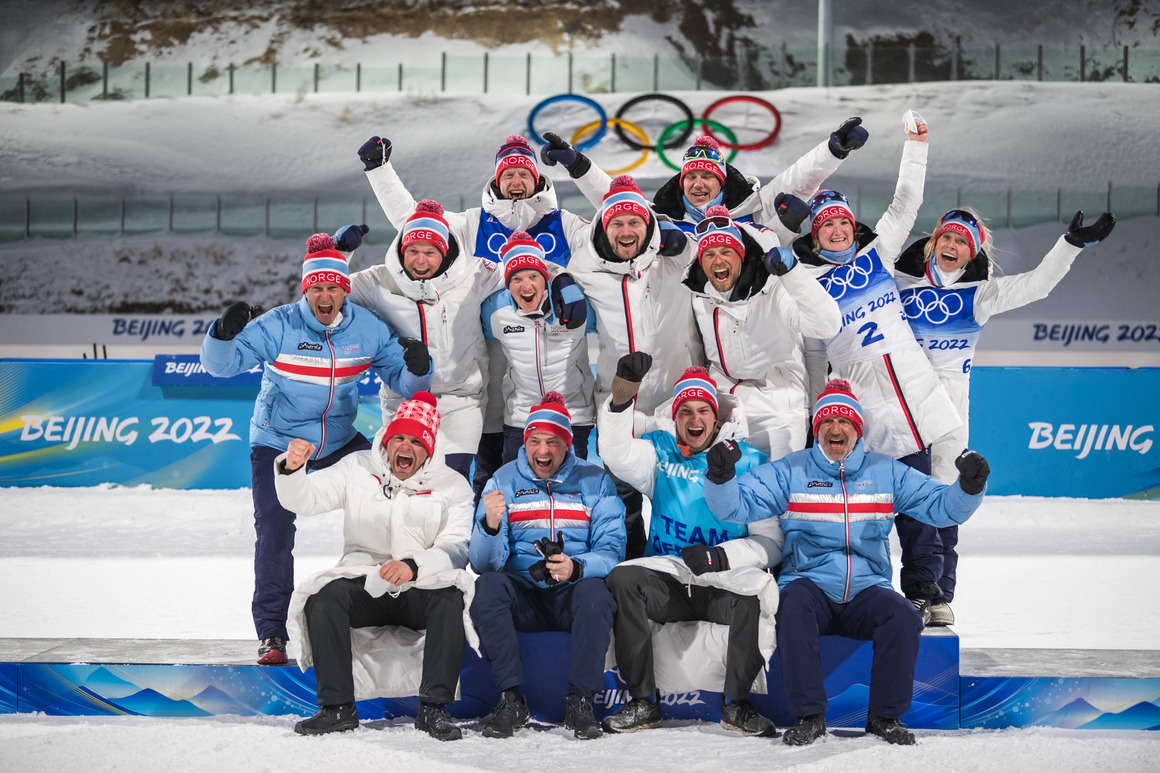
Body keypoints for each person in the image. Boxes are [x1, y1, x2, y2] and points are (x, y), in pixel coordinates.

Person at [703, 379, 990, 746]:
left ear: (858, 430)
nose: (835, 429)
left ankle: (885, 717)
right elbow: (735, 505)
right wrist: (721, 477)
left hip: (867, 588)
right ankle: (809, 716)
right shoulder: (792, 470)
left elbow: (942, 507)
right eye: (826, 422)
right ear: (816, 429)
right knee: (790, 608)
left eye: (844, 422)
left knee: (902, 616)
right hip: (808, 583)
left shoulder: (886, 471)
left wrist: (969, 487)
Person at [200, 230, 433, 665]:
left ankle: (398, 607)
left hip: (342, 441)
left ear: (345, 290)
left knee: (394, 499)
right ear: (305, 289)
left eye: (333, 287)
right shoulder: (278, 325)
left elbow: (404, 383)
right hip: (278, 441)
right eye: (316, 288)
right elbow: (221, 367)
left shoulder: (366, 329)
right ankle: (272, 634)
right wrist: (221, 334)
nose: (325, 296)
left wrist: (419, 369)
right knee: (274, 531)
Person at [893, 207, 1116, 625]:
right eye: (947, 237)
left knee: (947, 501)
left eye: (961, 241)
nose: (952, 246)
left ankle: (940, 597)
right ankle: (917, 589)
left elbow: (1037, 285)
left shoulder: (980, 294)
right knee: (911, 504)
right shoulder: (898, 280)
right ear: (934, 240)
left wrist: (1070, 245)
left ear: (971, 251)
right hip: (901, 409)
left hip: (947, 416)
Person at [357, 133, 600, 500]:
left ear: (538, 179)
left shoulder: (562, 222)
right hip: (487, 354)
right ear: (496, 181)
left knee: (556, 464)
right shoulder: (472, 222)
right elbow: (414, 224)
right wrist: (380, 171)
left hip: (553, 352)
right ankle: (484, 543)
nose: (516, 183)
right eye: (508, 175)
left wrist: (561, 277)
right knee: (492, 464)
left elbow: (613, 231)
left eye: (523, 175)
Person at [790, 117, 964, 621]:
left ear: (853, 226)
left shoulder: (877, 251)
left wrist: (917, 145)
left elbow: (905, 204)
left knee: (922, 504)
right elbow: (814, 355)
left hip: (912, 393)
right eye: (828, 225)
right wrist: (818, 412)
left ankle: (926, 593)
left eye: (843, 222)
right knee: (867, 511)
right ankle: (862, 596)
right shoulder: (807, 281)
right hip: (859, 404)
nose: (839, 229)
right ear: (817, 235)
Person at [596, 357, 782, 737]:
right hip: (668, 577)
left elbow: (771, 544)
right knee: (622, 579)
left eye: (702, 411)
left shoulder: (751, 462)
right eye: (685, 411)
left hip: (723, 581)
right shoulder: (659, 451)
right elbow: (614, 453)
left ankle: (737, 706)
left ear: (716, 418)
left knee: (754, 598)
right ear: (675, 416)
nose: (694, 419)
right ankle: (643, 703)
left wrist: (721, 557)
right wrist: (621, 397)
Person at [275, 392, 474, 738]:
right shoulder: (357, 467)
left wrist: (414, 565)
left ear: (429, 449)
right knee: (323, 599)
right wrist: (293, 471)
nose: (406, 447)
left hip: (419, 587)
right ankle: (337, 707)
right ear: (387, 440)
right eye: (399, 437)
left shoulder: (453, 485)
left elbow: (457, 548)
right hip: (364, 581)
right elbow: (307, 499)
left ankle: (433, 708)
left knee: (450, 599)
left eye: (416, 441)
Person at [468, 393, 626, 740]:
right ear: (525, 442)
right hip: (522, 593)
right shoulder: (502, 481)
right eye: (536, 441)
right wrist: (489, 527)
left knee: (596, 593)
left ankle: (580, 701)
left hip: (571, 592)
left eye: (553, 442)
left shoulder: (595, 481)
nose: (543, 451)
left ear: (567, 445)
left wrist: (577, 567)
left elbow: (612, 550)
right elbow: (482, 564)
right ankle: (511, 699)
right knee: (488, 587)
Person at [564, 173, 700, 558]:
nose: (626, 230)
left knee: (683, 501)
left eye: (635, 221)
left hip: (678, 405)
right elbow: (556, 274)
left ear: (649, 225)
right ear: (604, 230)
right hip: (621, 403)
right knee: (623, 508)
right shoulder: (587, 270)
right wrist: (560, 281)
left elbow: (718, 249)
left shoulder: (677, 263)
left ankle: (683, 580)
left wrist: (684, 240)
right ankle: (629, 578)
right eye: (617, 223)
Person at [348, 199, 504, 484]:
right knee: (405, 483)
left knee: (452, 481)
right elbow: (327, 290)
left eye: (430, 252)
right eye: (413, 251)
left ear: (443, 253)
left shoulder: (474, 272)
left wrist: (562, 283)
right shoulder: (377, 281)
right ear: (401, 250)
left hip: (462, 397)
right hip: (403, 400)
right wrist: (339, 254)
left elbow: (526, 271)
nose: (420, 260)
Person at [682, 204, 841, 458]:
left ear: (741, 254)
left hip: (780, 410)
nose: (718, 260)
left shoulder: (774, 286)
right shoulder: (698, 293)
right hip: (726, 411)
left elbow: (827, 324)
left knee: (776, 493)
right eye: (709, 254)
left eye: (726, 251)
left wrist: (793, 273)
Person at [553, 118, 868, 237]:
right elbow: (615, 200)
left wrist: (834, 150)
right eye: (691, 177)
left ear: (722, 183)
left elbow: (800, 178)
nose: (698, 184)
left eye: (707, 177)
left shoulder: (753, 207)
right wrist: (579, 165)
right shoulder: (663, 219)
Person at [480, 231, 596, 464]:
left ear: (546, 279)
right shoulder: (494, 312)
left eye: (534, 276)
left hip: (573, 413)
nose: (526, 286)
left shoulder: (575, 304)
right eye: (516, 279)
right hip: (521, 416)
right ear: (507, 285)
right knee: (520, 491)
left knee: (570, 491)